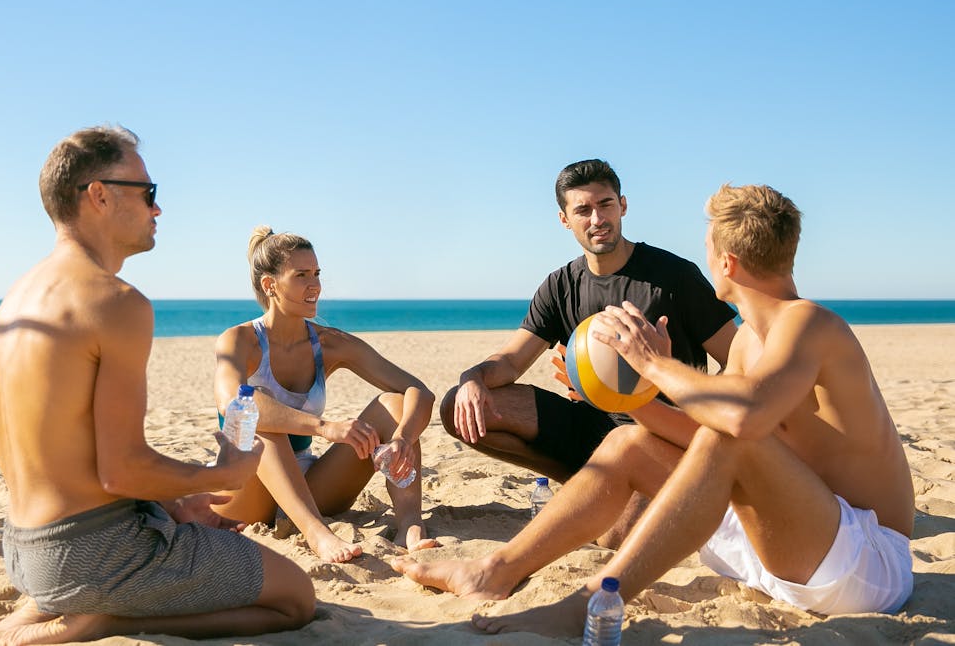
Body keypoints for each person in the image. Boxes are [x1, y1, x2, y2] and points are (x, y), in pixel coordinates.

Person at [394, 184, 915, 637]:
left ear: (726, 263)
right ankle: (495, 571)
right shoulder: (746, 345)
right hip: (790, 544)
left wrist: (652, 365)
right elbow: (714, 438)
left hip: (863, 563)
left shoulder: (809, 324)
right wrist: (628, 400)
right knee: (626, 441)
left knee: (729, 436)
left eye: (709, 243)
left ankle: (587, 605)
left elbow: (742, 424)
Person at [0, 126, 314, 646]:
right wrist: (217, 475)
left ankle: (69, 603)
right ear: (99, 195)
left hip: (25, 550)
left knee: (188, 525)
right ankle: (101, 620)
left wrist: (174, 505)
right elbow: (121, 471)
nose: (157, 208)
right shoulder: (115, 302)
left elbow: (76, 455)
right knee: (297, 598)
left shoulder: (17, 298)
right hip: (95, 555)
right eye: (148, 191)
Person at [443, 159, 736, 543]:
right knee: (458, 408)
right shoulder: (560, 284)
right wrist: (473, 379)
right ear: (565, 220)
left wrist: (694, 416)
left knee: (613, 538)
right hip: (589, 425)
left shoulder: (674, 277)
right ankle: (584, 479)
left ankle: (626, 485)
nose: (597, 218)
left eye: (606, 204)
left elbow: (735, 359)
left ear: (623, 206)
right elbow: (513, 360)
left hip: (657, 433)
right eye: (583, 209)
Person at [210, 226, 438, 563]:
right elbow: (232, 406)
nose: (315, 284)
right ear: (270, 285)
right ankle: (318, 534)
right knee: (253, 408)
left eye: (317, 273)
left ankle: (409, 525)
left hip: (309, 488)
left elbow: (417, 390)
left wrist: (403, 436)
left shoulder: (330, 343)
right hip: (244, 490)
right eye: (301, 275)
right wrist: (324, 427)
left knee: (395, 404)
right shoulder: (239, 340)